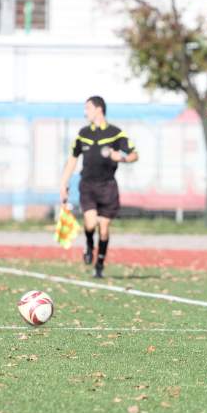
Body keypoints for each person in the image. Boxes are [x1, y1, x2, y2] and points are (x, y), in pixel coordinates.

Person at [59, 96, 138, 278]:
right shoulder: (83, 134)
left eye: (88, 108)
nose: (85, 112)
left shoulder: (115, 133)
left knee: (103, 229)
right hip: (87, 185)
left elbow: (134, 154)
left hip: (108, 187)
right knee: (90, 222)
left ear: (99, 109)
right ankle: (89, 245)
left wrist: (123, 158)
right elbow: (72, 159)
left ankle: (100, 264)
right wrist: (63, 183)